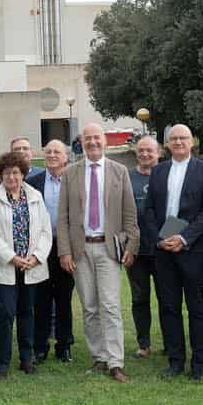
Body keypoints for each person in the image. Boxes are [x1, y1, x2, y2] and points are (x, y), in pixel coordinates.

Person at [56, 122, 139, 382]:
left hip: (108, 248)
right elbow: (63, 217)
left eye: (96, 138)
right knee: (90, 306)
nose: (92, 142)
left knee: (111, 306)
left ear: (105, 141)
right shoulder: (70, 173)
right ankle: (99, 358)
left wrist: (131, 246)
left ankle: (116, 362)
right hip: (80, 250)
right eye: (87, 138)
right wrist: (65, 252)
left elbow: (129, 213)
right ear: (82, 142)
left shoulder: (119, 171)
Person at [143, 124, 203, 380]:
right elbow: (150, 210)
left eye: (183, 138)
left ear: (192, 141)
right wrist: (159, 239)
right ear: (167, 144)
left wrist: (184, 238)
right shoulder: (158, 171)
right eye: (173, 138)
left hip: (193, 250)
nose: (178, 142)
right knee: (169, 307)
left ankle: (199, 364)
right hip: (164, 250)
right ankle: (175, 361)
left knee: (197, 307)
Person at [0, 151, 52, 378]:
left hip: (30, 266)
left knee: (27, 313)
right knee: (5, 314)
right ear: (0, 175)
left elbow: (45, 230)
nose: (11, 177)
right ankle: (2, 363)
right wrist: (10, 257)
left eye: (16, 173)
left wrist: (37, 257)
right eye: (7, 173)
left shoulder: (35, 196)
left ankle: (26, 359)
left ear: (23, 174)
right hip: (4, 266)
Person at [29, 139, 75, 363]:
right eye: (48, 152)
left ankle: (64, 344)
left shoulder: (75, 180)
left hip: (66, 247)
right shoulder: (33, 182)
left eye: (57, 152)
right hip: (40, 249)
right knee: (41, 299)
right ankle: (40, 346)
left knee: (64, 298)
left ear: (66, 157)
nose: (52, 155)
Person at [127, 134, 161, 358]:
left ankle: (171, 341)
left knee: (168, 298)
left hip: (163, 248)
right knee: (139, 298)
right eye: (141, 150)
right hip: (136, 250)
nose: (145, 154)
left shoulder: (167, 175)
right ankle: (144, 344)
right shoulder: (126, 177)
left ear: (158, 152)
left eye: (150, 150)